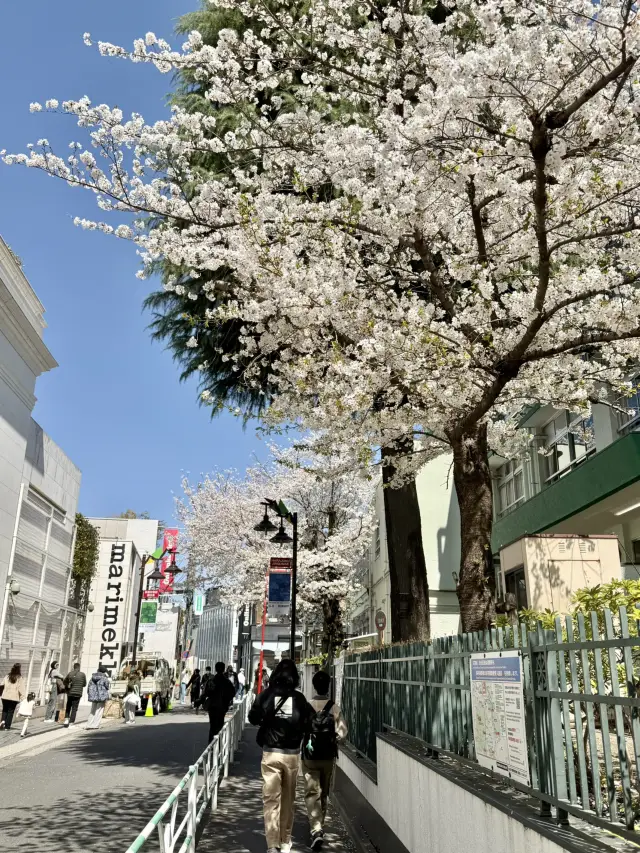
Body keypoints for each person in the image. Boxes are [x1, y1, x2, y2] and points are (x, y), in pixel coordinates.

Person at [249, 659, 315, 853]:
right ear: (295, 676)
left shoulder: (266, 695)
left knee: (270, 799)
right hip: (292, 756)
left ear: (276, 674)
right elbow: (310, 722)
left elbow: (252, 717)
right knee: (288, 799)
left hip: (270, 754)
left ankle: (272, 845)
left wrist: (267, 719)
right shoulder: (300, 699)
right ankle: (285, 841)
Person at [302, 670, 348, 850]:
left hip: (309, 756)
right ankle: (320, 825)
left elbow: (301, 729)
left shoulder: (308, 706)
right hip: (328, 756)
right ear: (328, 687)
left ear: (314, 686)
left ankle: (316, 829)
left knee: (311, 791)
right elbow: (343, 733)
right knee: (324, 791)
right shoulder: (334, 707)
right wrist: (334, 739)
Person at [196, 661, 236, 744]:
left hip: (213, 706)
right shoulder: (227, 682)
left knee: (213, 725)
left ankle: (211, 744)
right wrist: (227, 700)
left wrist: (199, 702)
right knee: (220, 724)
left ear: (215, 669)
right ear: (224, 669)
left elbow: (205, 693)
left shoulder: (211, 681)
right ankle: (218, 744)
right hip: (222, 706)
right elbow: (232, 693)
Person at [1, 663, 26, 730]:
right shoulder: (19, 678)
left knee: (5, 710)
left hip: (5, 696)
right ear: (19, 669)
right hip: (13, 698)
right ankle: (7, 726)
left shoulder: (7, 676)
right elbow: (21, 689)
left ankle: (3, 721)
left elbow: (2, 684)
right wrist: (23, 698)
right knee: (10, 712)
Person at [86, 664, 110, 729]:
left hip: (93, 696)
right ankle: (95, 725)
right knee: (99, 710)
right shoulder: (104, 678)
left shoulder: (92, 677)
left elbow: (88, 686)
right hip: (101, 696)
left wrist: (89, 694)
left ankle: (89, 724)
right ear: (104, 671)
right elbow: (107, 687)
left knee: (92, 710)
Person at [63, 662, 87, 728]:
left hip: (70, 693)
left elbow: (65, 682)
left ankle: (66, 719)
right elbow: (84, 684)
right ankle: (71, 723)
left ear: (74, 667)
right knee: (74, 708)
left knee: (68, 706)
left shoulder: (70, 673)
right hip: (78, 693)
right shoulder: (82, 674)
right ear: (79, 667)